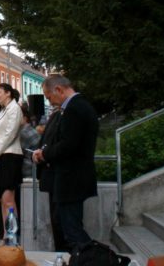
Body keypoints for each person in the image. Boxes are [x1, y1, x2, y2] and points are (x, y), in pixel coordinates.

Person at [32, 74, 98, 251]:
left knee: (72, 231)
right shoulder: (78, 107)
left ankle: (90, 259)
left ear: (59, 90)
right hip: (72, 177)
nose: (50, 102)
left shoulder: (74, 109)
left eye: (49, 97)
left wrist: (44, 154)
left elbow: (68, 145)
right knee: (68, 227)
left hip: (71, 178)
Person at [0, 83, 23, 231]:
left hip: (12, 156)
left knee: (8, 199)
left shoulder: (14, 109)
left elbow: (10, 134)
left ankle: (12, 235)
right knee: (3, 199)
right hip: (3, 155)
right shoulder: (2, 111)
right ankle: (8, 234)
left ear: (8, 93)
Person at [35, 106, 66, 252]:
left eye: (49, 94)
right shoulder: (54, 116)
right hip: (51, 174)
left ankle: (67, 255)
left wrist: (44, 153)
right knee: (56, 220)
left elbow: (65, 145)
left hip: (62, 175)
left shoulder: (67, 114)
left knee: (63, 222)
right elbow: (44, 141)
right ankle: (61, 254)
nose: (49, 100)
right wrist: (38, 153)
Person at [19, 104, 41, 178]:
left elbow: (17, 153)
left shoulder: (23, 133)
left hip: (27, 171)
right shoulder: (31, 129)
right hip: (34, 170)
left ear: (24, 119)